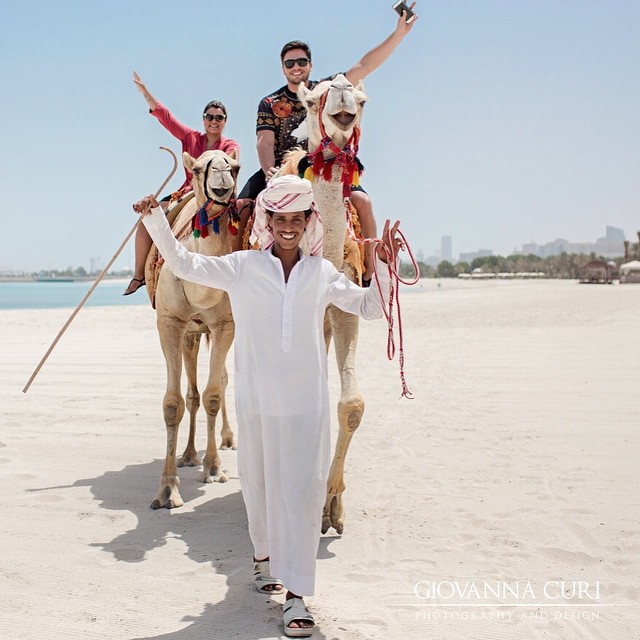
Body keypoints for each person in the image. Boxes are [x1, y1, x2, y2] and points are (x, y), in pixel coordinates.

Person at [134, 175, 402, 637]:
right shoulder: (242, 267)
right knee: (257, 487)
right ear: (268, 221)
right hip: (256, 406)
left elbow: (372, 308)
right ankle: (263, 559)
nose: (289, 227)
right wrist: (155, 218)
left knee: (302, 493)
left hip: (306, 408)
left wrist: (382, 265)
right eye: (281, 219)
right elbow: (181, 261)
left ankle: (296, 597)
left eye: (298, 219)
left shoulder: (321, 274)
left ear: (307, 223)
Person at [235, 3, 417, 283]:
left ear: (310, 65)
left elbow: (365, 66)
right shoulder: (270, 102)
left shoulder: (329, 89)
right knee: (244, 205)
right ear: (283, 69)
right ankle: (239, 278)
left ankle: (371, 272)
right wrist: (269, 170)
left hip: (328, 165)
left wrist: (399, 34)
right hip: (284, 168)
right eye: (289, 63)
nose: (296, 67)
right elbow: (264, 141)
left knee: (363, 202)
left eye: (301, 62)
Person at [124, 71, 240, 295]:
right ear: (203, 119)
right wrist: (145, 93)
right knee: (147, 219)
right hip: (187, 193)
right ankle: (140, 275)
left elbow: (230, 170)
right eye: (209, 116)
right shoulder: (191, 138)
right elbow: (166, 118)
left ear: (225, 121)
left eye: (219, 117)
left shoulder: (230, 146)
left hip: (219, 197)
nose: (214, 121)